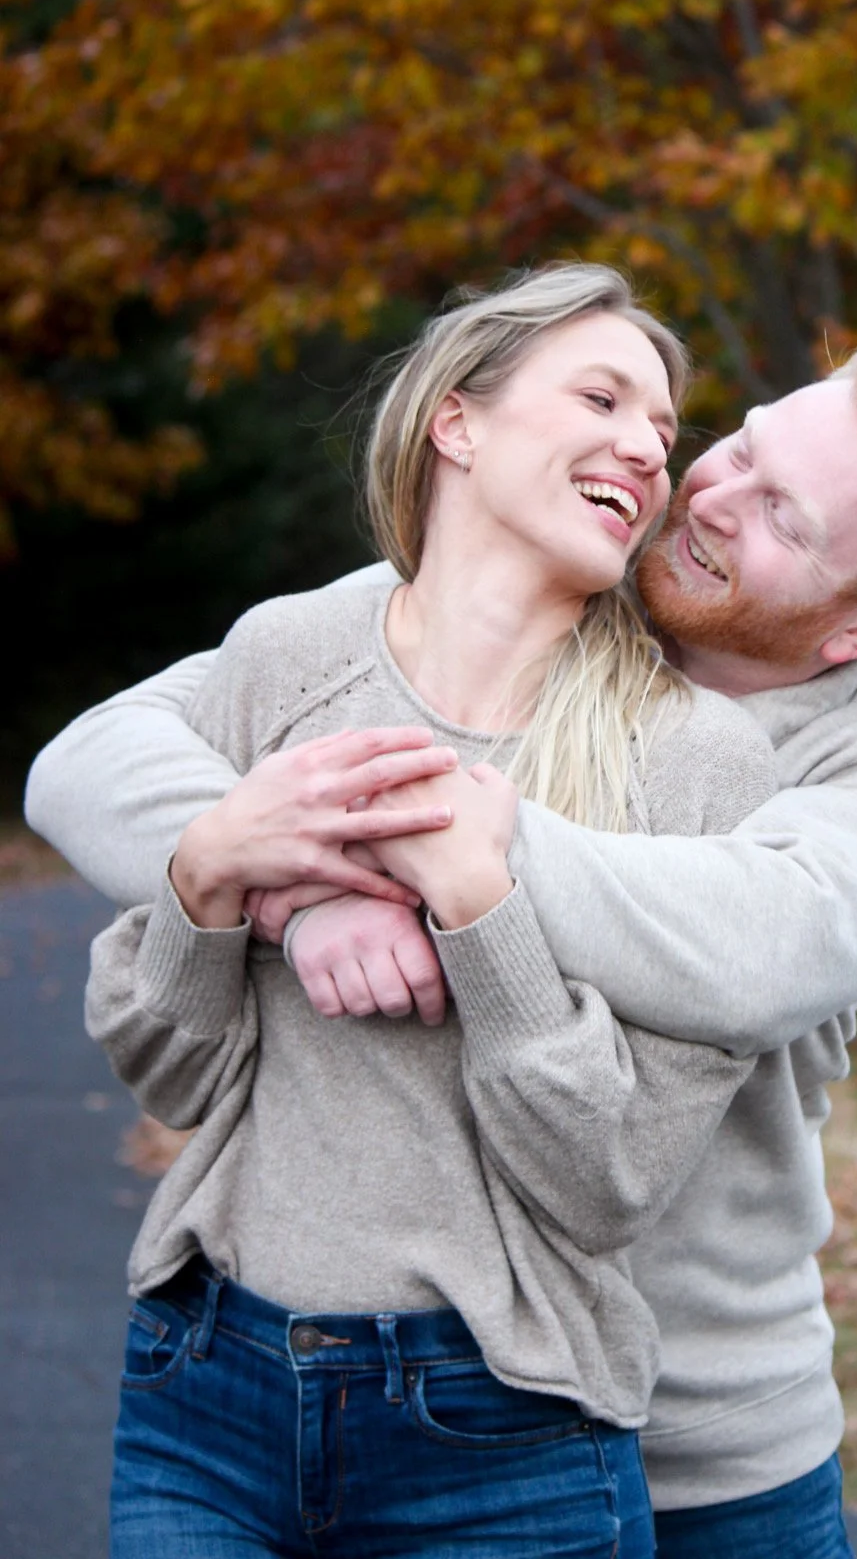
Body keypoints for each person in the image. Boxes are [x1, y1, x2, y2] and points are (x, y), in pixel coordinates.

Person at [28, 317, 857, 1559]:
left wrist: (463, 846)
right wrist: (298, 875)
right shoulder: (532, 602)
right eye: (740, 451)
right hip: (386, 1401)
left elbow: (757, 946)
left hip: (708, 1445)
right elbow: (96, 756)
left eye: (787, 520)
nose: (712, 497)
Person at [70, 264, 789, 1559]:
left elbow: (609, 1179)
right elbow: (166, 1069)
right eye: (603, 394)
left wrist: (480, 918)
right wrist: (221, 872)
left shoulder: (699, 763)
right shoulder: (285, 659)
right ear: (457, 421)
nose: (646, 445)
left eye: (663, 431)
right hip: (206, 1391)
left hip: (504, 1436)